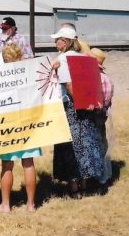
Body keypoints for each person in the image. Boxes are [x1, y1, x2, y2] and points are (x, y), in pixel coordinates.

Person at [51, 26, 102, 199]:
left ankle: (74, 188)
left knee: (70, 146)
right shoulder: (85, 58)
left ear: (64, 41)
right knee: (86, 144)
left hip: (72, 109)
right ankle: (85, 185)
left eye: (57, 39)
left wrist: (79, 101)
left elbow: (69, 85)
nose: (54, 42)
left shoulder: (63, 59)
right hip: (88, 107)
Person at [0, 43, 40, 213]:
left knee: (7, 165)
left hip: (7, 124)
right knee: (28, 163)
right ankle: (31, 204)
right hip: (27, 122)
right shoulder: (28, 73)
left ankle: (6, 205)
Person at [89, 48, 114, 186]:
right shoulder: (105, 77)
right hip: (101, 114)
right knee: (100, 142)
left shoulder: (100, 78)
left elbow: (102, 101)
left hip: (97, 114)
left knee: (97, 143)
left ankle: (100, 175)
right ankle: (101, 173)